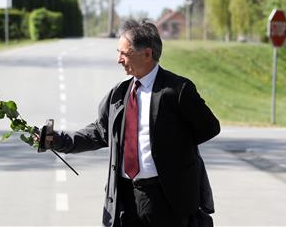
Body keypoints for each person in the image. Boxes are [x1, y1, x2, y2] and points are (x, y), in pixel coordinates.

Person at [38, 19, 220, 227]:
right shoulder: (119, 94)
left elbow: (209, 128)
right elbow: (99, 132)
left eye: (124, 53)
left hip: (167, 199)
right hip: (125, 198)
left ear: (147, 54)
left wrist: (174, 147)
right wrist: (57, 140)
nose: (119, 60)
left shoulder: (178, 90)